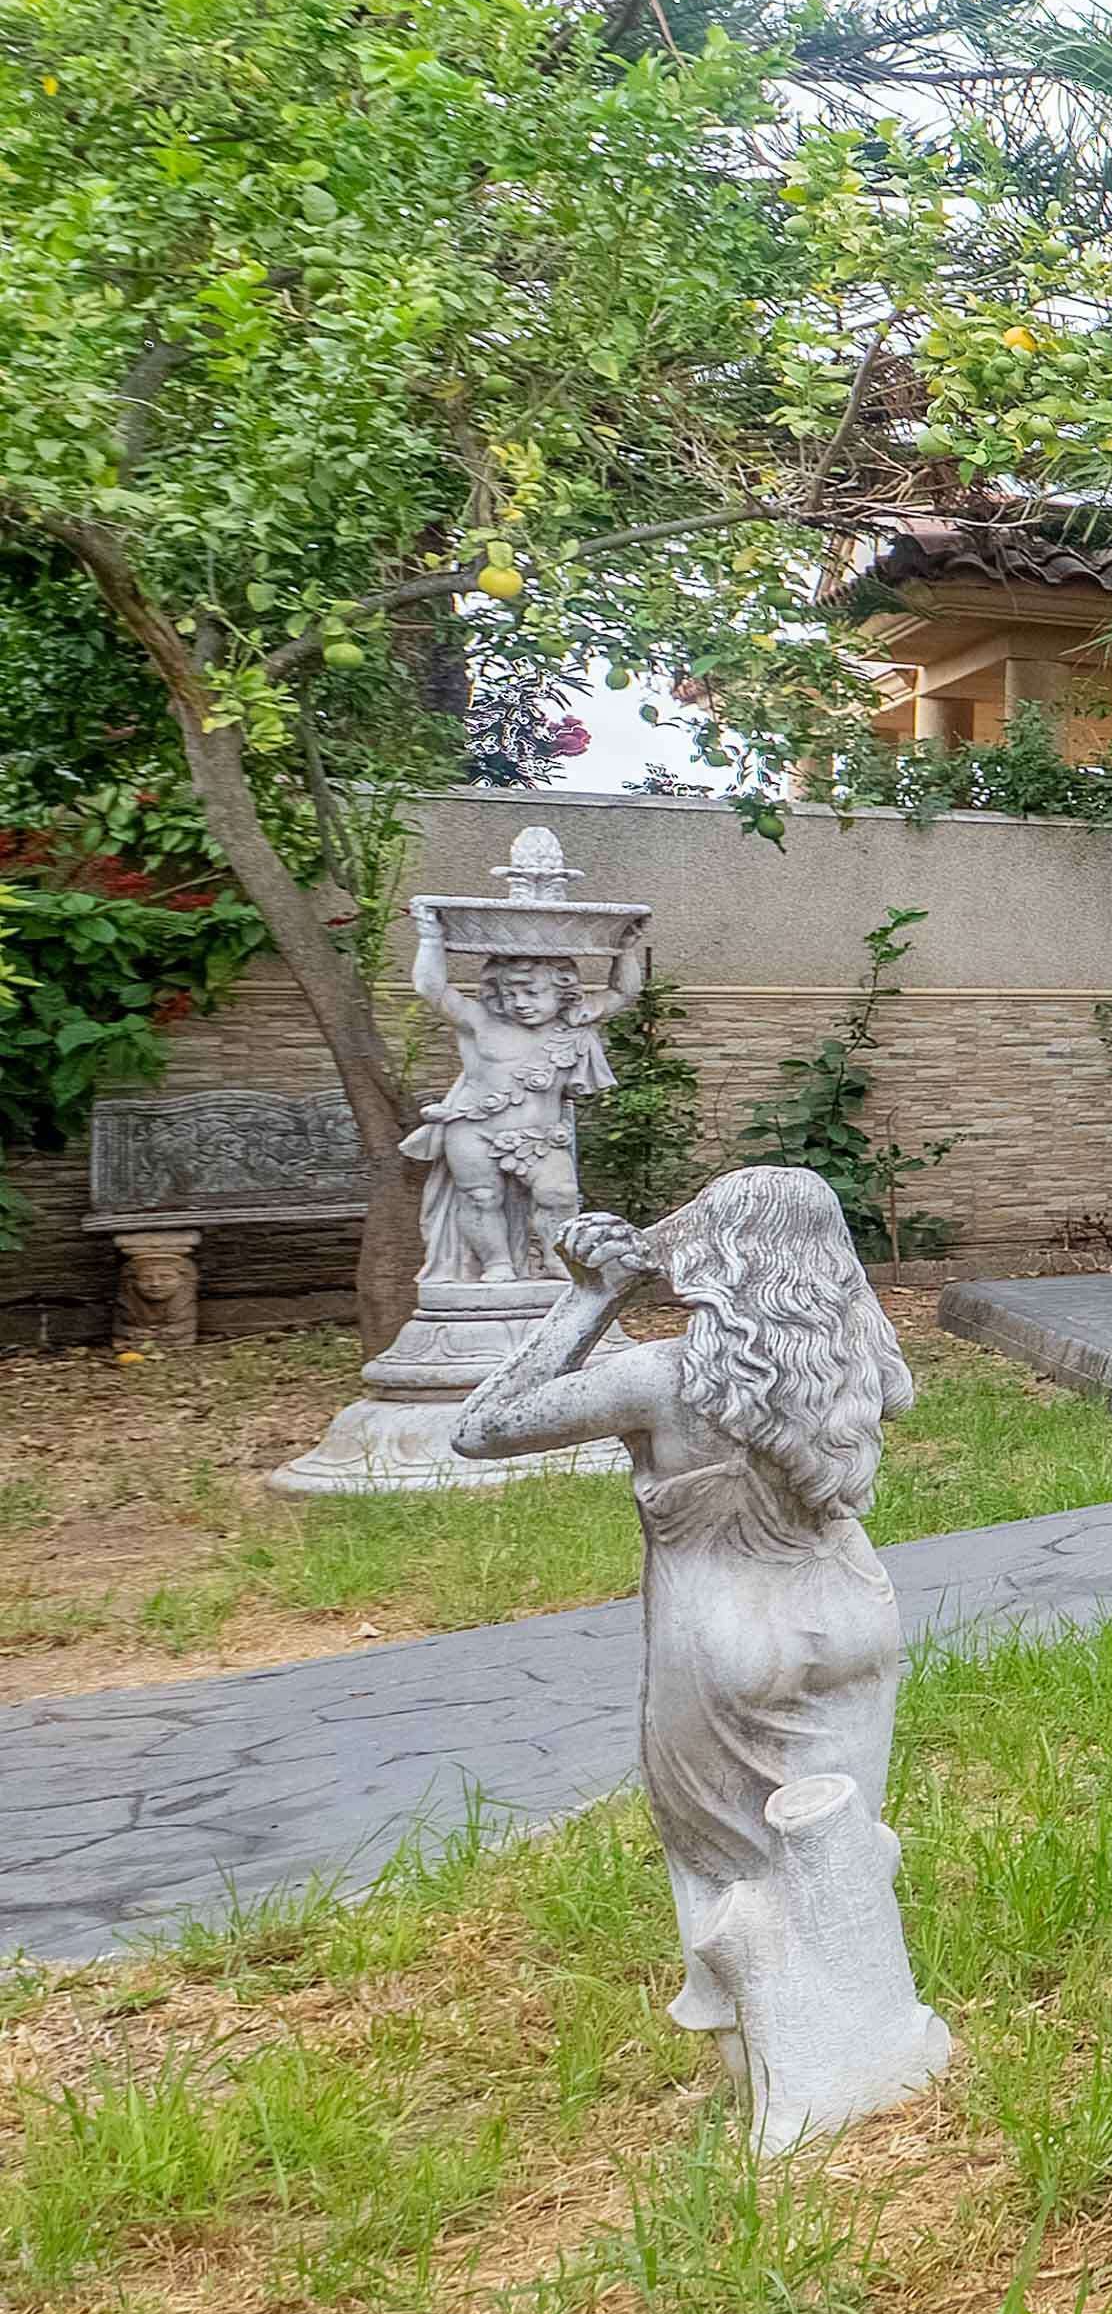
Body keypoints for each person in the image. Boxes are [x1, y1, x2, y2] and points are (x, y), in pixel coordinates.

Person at [450, 1168, 950, 2151]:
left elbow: (482, 1427)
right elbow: (870, 1376)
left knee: (729, 1868)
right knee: (838, 1849)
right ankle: (869, 2046)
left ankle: (777, 2077)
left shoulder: (670, 1378)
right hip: (853, 1615)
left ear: (722, 1259)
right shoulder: (858, 1357)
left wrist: (592, 1296)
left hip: (729, 1641)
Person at [401, 903, 634, 1291]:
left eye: (532, 992)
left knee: (559, 1194)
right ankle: (496, 1264)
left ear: (562, 993)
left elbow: (623, 992)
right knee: (480, 1197)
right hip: (473, 1130)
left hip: (540, 1136)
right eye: (510, 993)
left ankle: (558, 1260)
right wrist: (430, 937)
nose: (520, 1002)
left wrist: (624, 949)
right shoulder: (482, 1022)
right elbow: (432, 988)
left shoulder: (570, 1025)